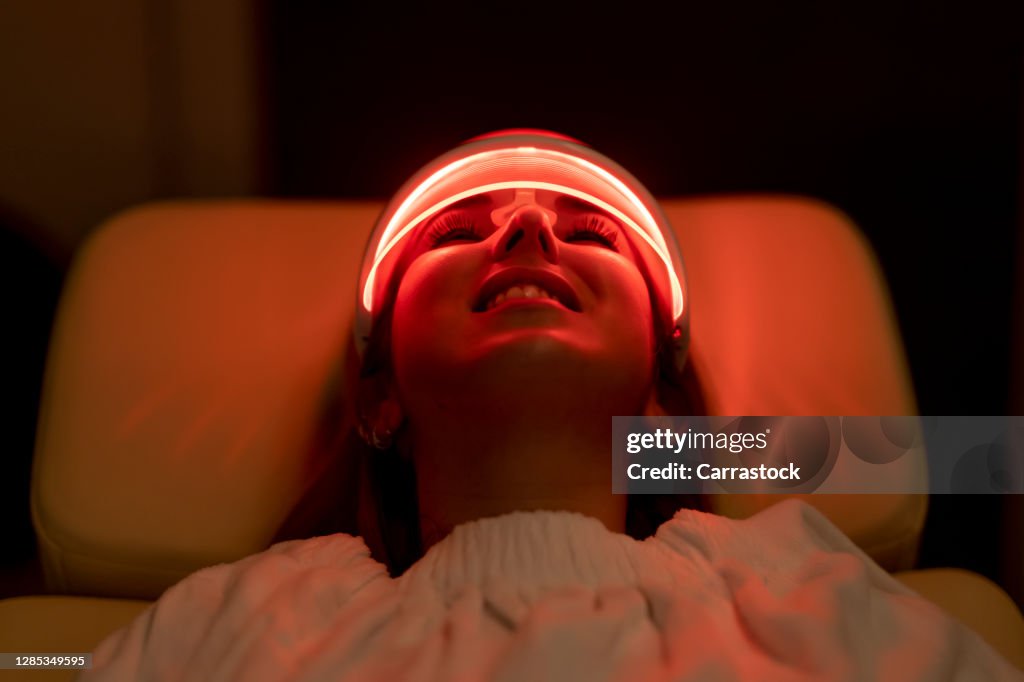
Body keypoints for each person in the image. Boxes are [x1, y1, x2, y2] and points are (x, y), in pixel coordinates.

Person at [79, 131, 1022, 681]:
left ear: (659, 400)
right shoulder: (254, 618)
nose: (526, 225)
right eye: (454, 230)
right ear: (380, 400)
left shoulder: (792, 583)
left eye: (592, 232)